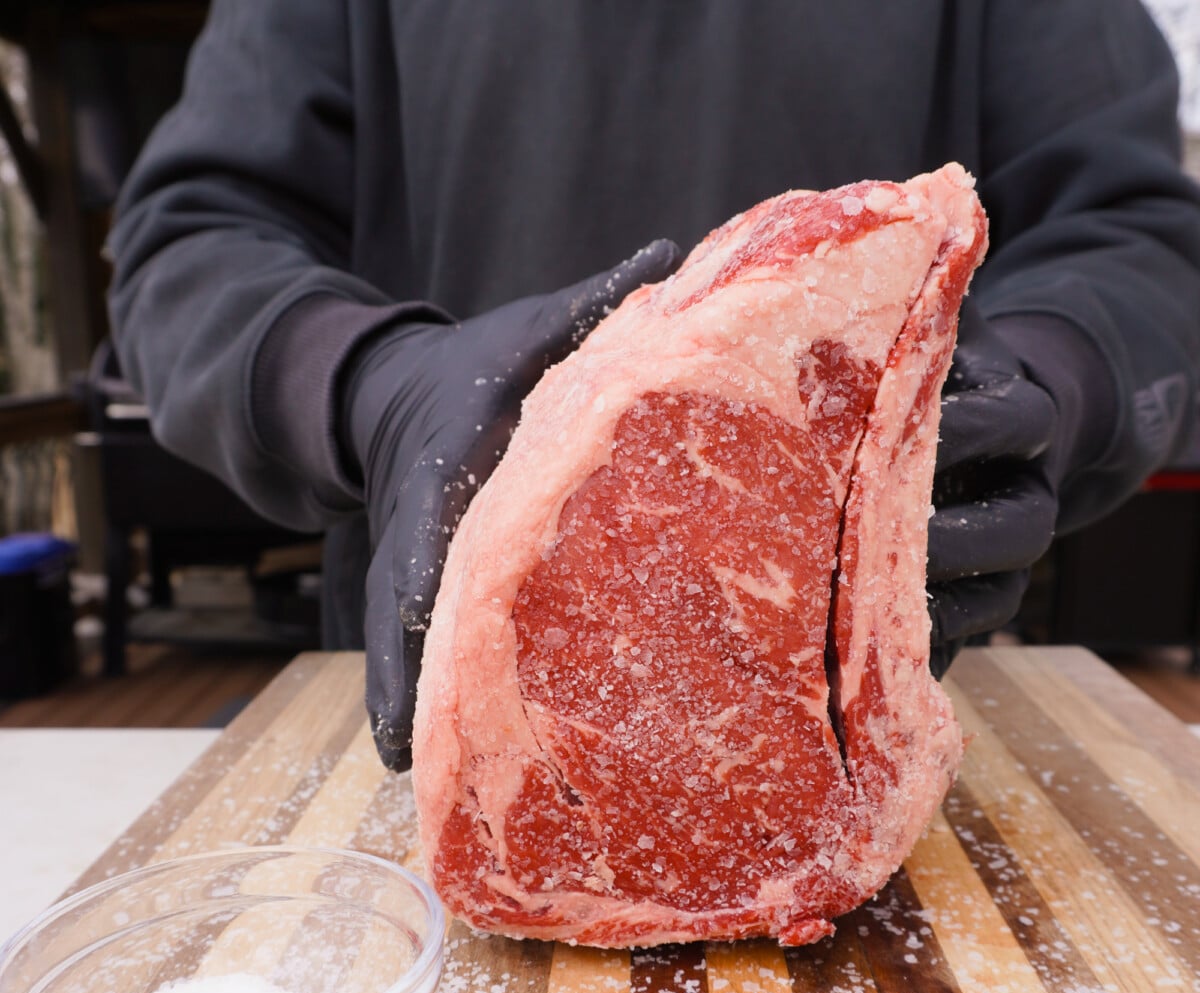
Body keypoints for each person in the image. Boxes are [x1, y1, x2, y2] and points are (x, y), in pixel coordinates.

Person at [107, 1, 1200, 769]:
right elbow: (192, 240)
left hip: (854, 700)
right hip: (457, 713)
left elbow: (1140, 240)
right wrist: (366, 383)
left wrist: (1045, 385)